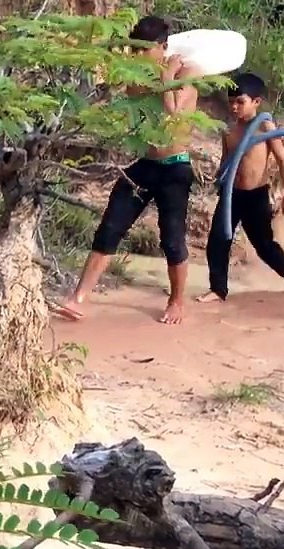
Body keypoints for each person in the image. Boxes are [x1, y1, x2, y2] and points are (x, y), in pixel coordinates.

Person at [52, 15, 198, 325]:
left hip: (176, 168)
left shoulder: (189, 75)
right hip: (146, 164)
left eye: (145, 51)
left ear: (162, 48)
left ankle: (176, 301)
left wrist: (168, 75)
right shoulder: (137, 79)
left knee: (171, 239)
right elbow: (112, 80)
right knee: (110, 226)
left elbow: (173, 112)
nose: (138, 57)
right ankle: (79, 298)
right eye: (135, 51)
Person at [194, 72, 284, 303]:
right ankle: (218, 289)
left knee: (263, 244)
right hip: (232, 193)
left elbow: (283, 160)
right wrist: (218, 180)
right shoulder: (230, 130)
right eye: (231, 101)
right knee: (218, 241)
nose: (234, 107)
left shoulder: (264, 127)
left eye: (240, 102)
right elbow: (226, 161)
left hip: (256, 195)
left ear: (256, 102)